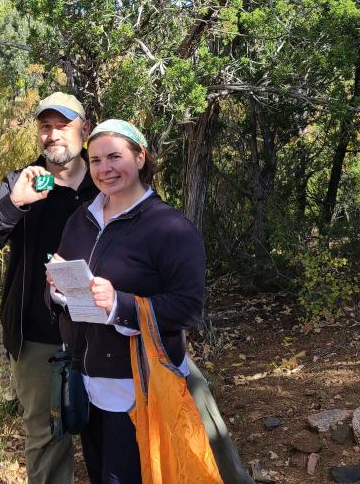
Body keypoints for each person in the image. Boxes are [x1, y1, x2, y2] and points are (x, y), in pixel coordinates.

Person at [51, 119, 206, 484]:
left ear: (140, 158)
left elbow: (188, 307)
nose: (105, 169)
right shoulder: (81, 218)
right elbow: (69, 295)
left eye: (115, 157)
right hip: (88, 381)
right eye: (95, 160)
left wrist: (119, 304)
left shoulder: (170, 229)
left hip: (140, 389)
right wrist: (57, 287)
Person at [0, 92, 97, 484]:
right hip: (40, 341)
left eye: (62, 125)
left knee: (111, 435)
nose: (52, 135)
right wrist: (14, 204)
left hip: (102, 332)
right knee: (47, 442)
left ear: (83, 130)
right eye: (45, 127)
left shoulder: (105, 181)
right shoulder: (24, 182)